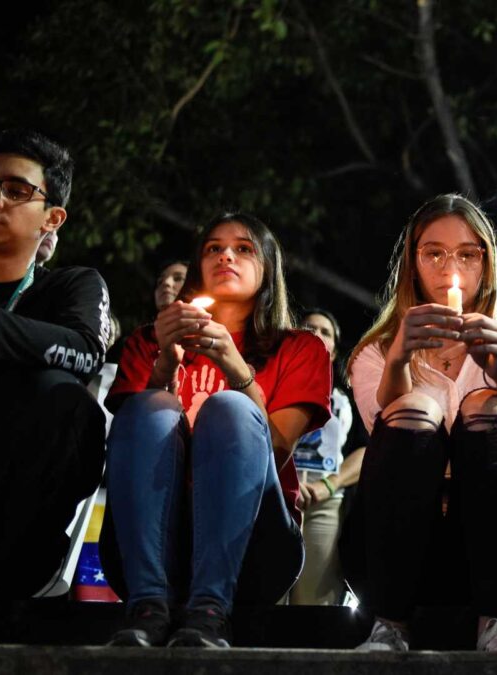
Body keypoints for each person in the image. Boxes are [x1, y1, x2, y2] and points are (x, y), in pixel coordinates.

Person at [102, 212, 331, 648]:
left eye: (244, 248)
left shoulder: (301, 348)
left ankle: (210, 610)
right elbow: (134, 443)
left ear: (268, 267)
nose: (226, 255)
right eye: (213, 248)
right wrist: (164, 366)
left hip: (252, 547)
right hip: (152, 544)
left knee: (229, 407)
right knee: (151, 404)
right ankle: (148, 607)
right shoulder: (148, 342)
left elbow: (277, 449)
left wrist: (236, 368)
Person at [344, 194, 497, 652]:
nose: (449, 267)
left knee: (490, 405)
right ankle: (388, 622)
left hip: (492, 549)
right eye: (434, 253)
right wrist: (399, 356)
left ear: (486, 262)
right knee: (417, 407)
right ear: (412, 262)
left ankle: (495, 618)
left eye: (466, 254)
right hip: (394, 550)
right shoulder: (375, 351)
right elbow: (389, 442)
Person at [0, 129, 110, 604]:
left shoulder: (72, 287)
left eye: (16, 190)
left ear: (53, 218)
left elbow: (87, 349)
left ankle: (10, 586)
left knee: (65, 399)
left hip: (1, 512)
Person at [291, 307, 365, 606]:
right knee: (269, 589)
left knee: (316, 594)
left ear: (334, 350)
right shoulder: (272, 385)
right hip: (278, 496)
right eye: (309, 328)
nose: (316, 334)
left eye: (325, 332)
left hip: (326, 499)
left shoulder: (350, 397)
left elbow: (365, 450)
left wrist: (329, 486)